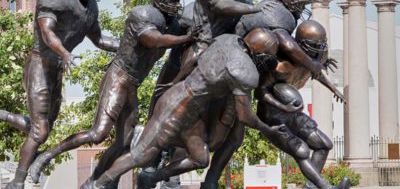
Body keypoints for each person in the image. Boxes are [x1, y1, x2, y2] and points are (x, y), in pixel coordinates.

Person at [28, 0, 195, 188]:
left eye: (179, 0)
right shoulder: (143, 14)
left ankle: (96, 182)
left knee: (125, 141)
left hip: (133, 83)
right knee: (99, 133)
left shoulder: (173, 24)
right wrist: (185, 38)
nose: (177, 5)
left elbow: (192, 22)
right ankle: (45, 156)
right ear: (158, 2)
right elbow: (154, 40)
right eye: (172, 1)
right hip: (118, 78)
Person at [85, 29, 282, 189]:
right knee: (141, 155)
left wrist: (175, 82)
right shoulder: (245, 72)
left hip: (190, 108)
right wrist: (267, 129)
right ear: (259, 51)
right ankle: (97, 185)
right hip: (179, 106)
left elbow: (193, 60)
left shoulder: (226, 39)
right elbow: (245, 116)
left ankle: (154, 177)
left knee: (200, 157)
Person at [200, 0, 331, 189]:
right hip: (237, 77)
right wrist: (313, 64)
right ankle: (204, 179)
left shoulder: (278, 8)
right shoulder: (280, 16)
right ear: (291, 2)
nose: (303, 10)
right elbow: (289, 45)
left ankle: (210, 181)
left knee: (233, 139)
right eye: (302, 5)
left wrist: (318, 65)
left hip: (243, 77)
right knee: (227, 138)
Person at [0, 0, 120, 189]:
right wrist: (65, 53)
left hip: (56, 68)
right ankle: (17, 182)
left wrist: (129, 46)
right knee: (40, 130)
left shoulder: (90, 8)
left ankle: (5, 116)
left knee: (42, 129)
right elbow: (47, 32)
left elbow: (100, 40)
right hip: (40, 64)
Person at [255, 20, 349, 189]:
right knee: (302, 151)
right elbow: (260, 93)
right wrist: (284, 107)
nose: (320, 48)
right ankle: (326, 187)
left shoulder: (311, 64)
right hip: (272, 118)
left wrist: (334, 89)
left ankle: (309, 187)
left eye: (322, 44)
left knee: (324, 145)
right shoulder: (281, 66)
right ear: (301, 45)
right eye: (315, 44)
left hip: (292, 113)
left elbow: (318, 73)